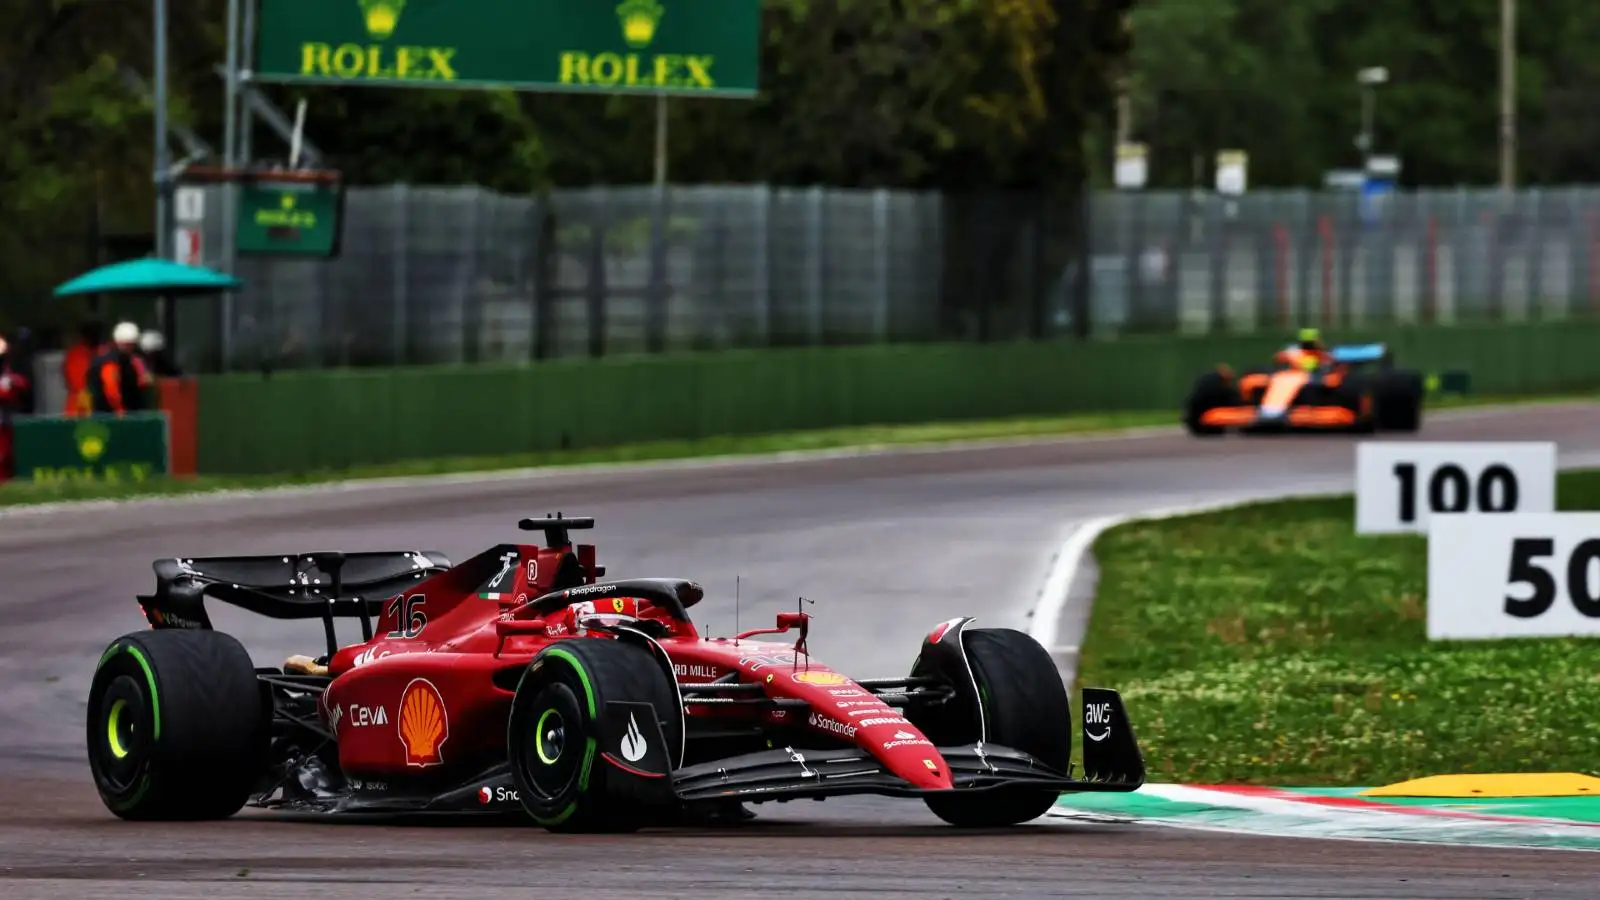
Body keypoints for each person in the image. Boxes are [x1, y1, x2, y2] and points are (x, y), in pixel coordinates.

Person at [87, 322, 153, 415]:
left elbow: (144, 381)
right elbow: (111, 391)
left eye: (132, 344)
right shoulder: (110, 362)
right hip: (109, 416)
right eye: (127, 344)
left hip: (129, 413)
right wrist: (120, 412)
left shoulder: (133, 360)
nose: (130, 347)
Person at [0, 331, 30, 481]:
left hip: (6, 420)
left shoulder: (10, 372)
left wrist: (13, 383)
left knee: (7, 455)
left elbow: (23, 384)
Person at [62, 320, 105, 417]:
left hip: (94, 406)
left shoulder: (100, 352)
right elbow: (78, 384)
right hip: (80, 408)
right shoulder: (77, 354)